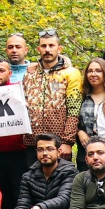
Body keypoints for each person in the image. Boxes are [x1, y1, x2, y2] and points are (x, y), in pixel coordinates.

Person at [21, 29, 81, 159]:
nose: (47, 49)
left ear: (59, 48)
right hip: (33, 143)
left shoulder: (71, 73)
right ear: (38, 49)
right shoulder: (30, 73)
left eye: (51, 45)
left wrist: (67, 142)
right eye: (43, 46)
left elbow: (74, 110)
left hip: (58, 143)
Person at [0, 58, 33, 209]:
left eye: (1, 70)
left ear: (10, 73)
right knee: (1, 192)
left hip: (19, 152)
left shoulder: (18, 89)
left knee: (19, 192)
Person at [76, 58, 105, 158]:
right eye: (90, 71)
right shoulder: (82, 96)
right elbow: (73, 118)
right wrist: (79, 132)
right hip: (86, 150)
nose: (93, 74)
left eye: (98, 71)